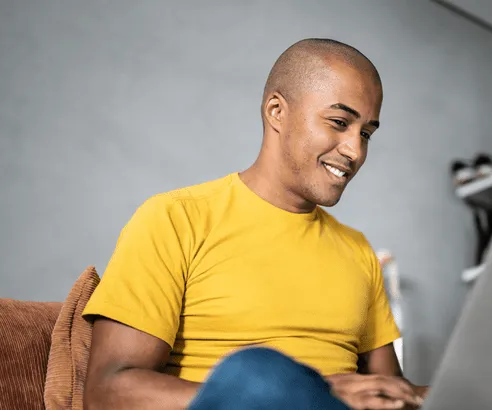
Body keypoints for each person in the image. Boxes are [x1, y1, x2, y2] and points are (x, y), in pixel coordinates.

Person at [82, 38, 428, 410]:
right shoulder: (175, 218)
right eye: (339, 123)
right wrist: (310, 391)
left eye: (366, 134)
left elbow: (390, 389)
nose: (355, 151)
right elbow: (108, 392)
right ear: (277, 111)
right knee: (258, 372)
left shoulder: (357, 249)